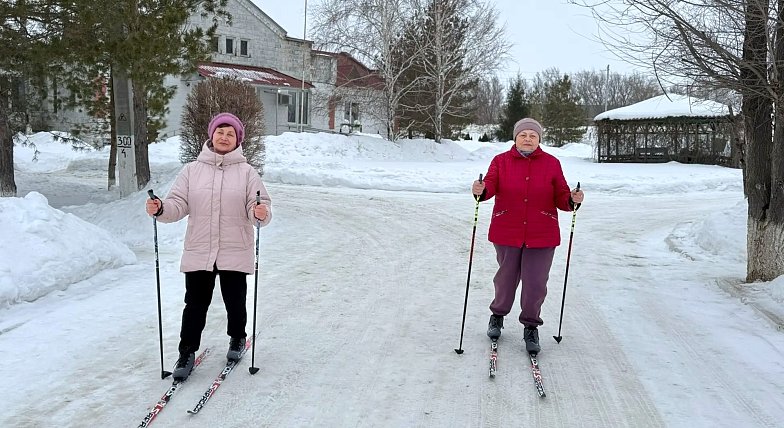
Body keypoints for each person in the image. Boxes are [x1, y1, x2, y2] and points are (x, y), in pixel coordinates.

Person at [145, 112, 272, 380]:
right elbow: (178, 204)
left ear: (238, 140)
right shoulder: (192, 170)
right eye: (220, 132)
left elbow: (259, 205)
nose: (224, 137)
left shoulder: (248, 172)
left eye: (230, 134)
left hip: (234, 247)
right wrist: (161, 208)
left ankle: (237, 338)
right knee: (194, 304)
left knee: (235, 301)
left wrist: (260, 213)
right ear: (211, 135)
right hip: (200, 248)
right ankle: (186, 352)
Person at [471, 117, 584, 354]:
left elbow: (561, 195)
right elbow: (490, 185)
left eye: (533, 135)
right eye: (523, 135)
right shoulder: (500, 161)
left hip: (542, 233)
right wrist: (482, 190)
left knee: (535, 283)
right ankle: (497, 315)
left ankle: (531, 325)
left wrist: (571, 200)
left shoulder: (551, 163)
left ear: (539, 139)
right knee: (505, 278)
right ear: (515, 138)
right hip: (507, 230)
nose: (528, 139)